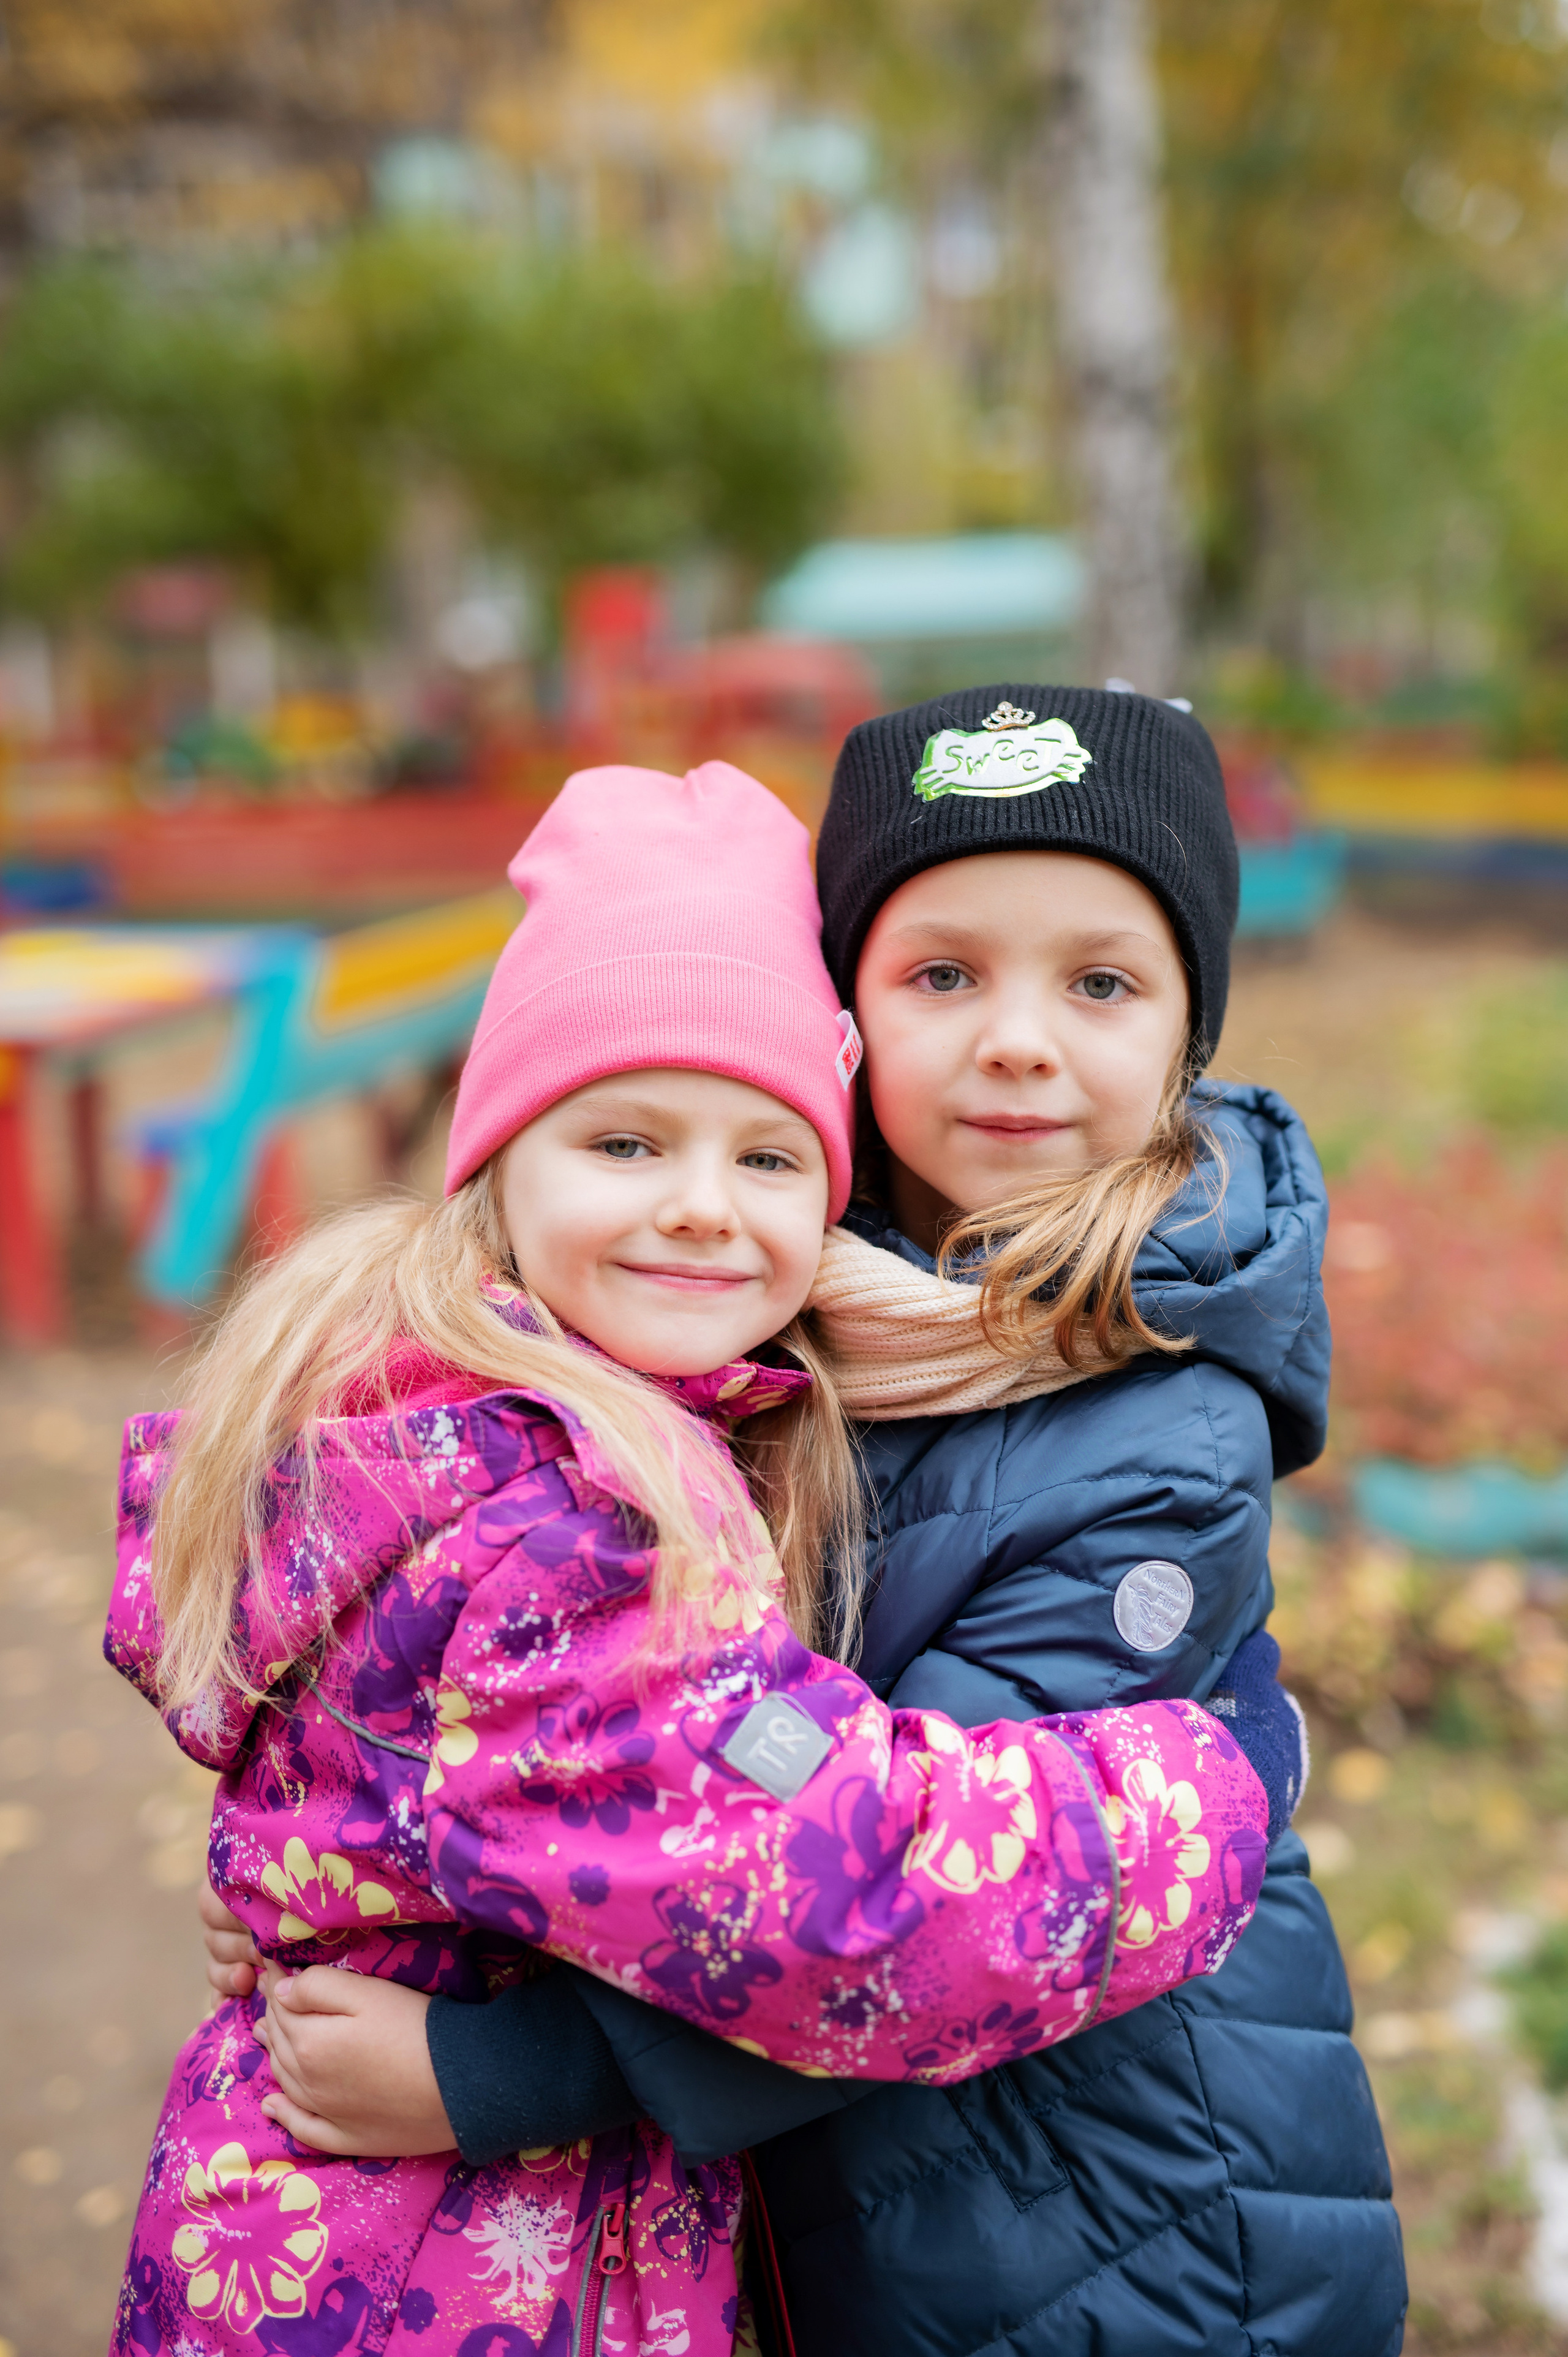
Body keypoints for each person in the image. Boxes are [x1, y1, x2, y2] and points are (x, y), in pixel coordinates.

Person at [202, 691, 1403, 2357]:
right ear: (842, 1018)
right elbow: (609, 1705)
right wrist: (353, 1861)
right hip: (871, 2199)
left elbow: (877, 1890)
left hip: (1123, 2223)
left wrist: (504, 2072)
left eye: (1103, 982)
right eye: (942, 975)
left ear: (1191, 1028)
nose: (1020, 1040)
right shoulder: (763, 1291)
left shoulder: (1155, 1425)